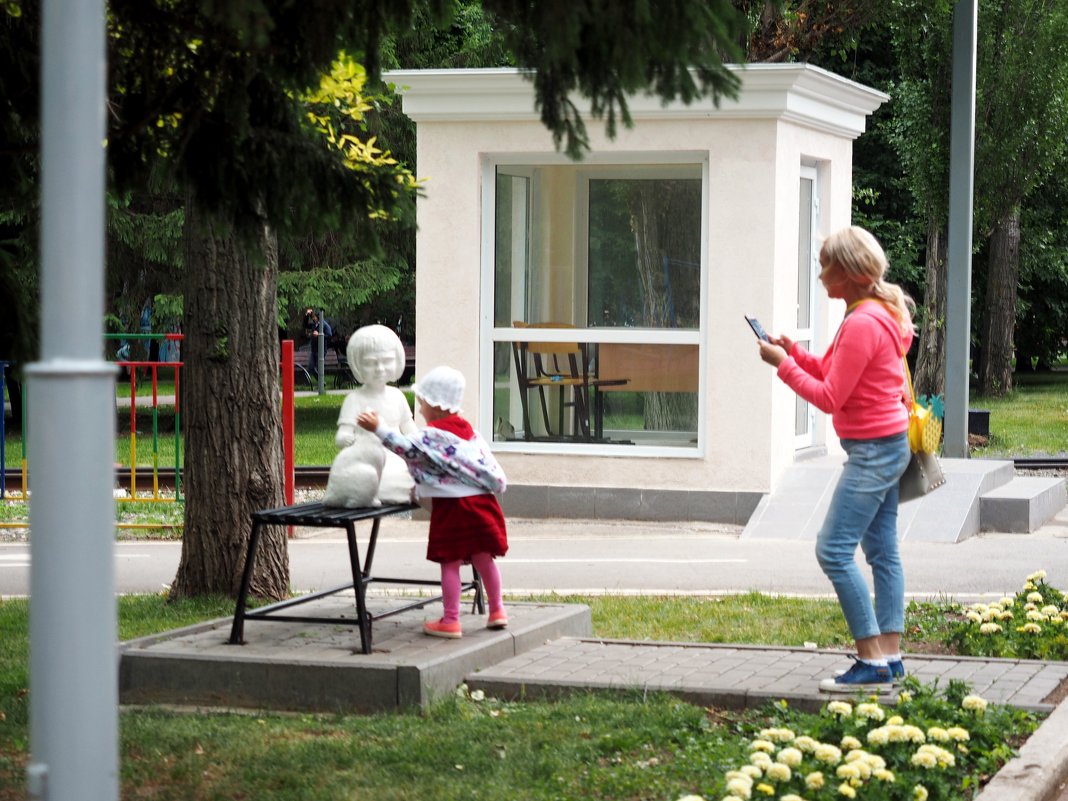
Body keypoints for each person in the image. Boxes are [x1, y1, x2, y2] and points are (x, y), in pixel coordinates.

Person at [756, 226, 914, 691]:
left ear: (847, 272)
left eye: (826, 264)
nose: (820, 272)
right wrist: (795, 354)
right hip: (887, 444)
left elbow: (828, 397)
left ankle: (871, 661)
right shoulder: (871, 312)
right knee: (883, 551)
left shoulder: (864, 321)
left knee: (833, 549)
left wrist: (780, 367)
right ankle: (891, 654)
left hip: (873, 451)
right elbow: (833, 370)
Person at [357, 365, 509, 639]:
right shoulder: (471, 434)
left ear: (437, 407)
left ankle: (451, 620)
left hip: (452, 509)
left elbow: (404, 448)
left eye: (423, 402)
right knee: (485, 560)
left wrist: (378, 428)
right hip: (483, 505)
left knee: (449, 562)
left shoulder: (430, 436)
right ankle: (498, 610)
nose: (421, 408)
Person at [326, 325, 418, 506]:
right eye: (370, 362)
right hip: (369, 458)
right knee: (379, 479)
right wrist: (346, 439)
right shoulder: (355, 399)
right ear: (357, 365)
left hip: (398, 456)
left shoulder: (397, 396)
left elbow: (409, 429)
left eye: (386, 361)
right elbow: (343, 434)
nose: (380, 368)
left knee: (417, 476)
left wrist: (419, 448)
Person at [303, 307, 332, 380]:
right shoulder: (314, 324)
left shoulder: (324, 325)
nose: (313, 318)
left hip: (321, 350)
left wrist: (319, 334)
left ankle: (321, 385)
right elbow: (305, 325)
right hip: (314, 349)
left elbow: (329, 335)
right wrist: (307, 315)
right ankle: (321, 382)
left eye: (314, 317)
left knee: (319, 367)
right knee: (311, 367)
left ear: (318, 317)